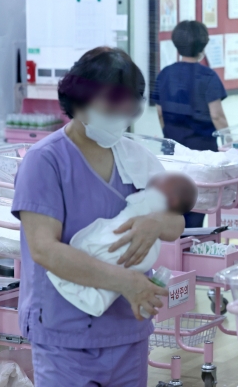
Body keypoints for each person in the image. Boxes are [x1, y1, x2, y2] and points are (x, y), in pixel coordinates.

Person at [12, 47, 185, 386]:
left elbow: (176, 222)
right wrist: (125, 282)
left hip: (127, 328)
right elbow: (45, 249)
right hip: (64, 333)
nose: (118, 117)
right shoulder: (45, 162)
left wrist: (154, 223)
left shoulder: (136, 158)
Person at [47, 172, 197, 317]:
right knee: (113, 256)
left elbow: (176, 222)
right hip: (63, 314)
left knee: (108, 249)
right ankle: (92, 297)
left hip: (131, 253)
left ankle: (86, 292)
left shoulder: (146, 176)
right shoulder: (49, 160)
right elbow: (42, 248)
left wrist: (157, 220)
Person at [152, 20, 228, 227]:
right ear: (203, 46)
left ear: (176, 45)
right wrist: (231, 144)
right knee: (198, 206)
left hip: (172, 152)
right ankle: (193, 253)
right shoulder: (208, 76)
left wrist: (171, 135)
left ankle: (174, 253)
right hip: (201, 153)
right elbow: (217, 116)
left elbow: (160, 114)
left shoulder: (164, 74)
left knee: (173, 205)